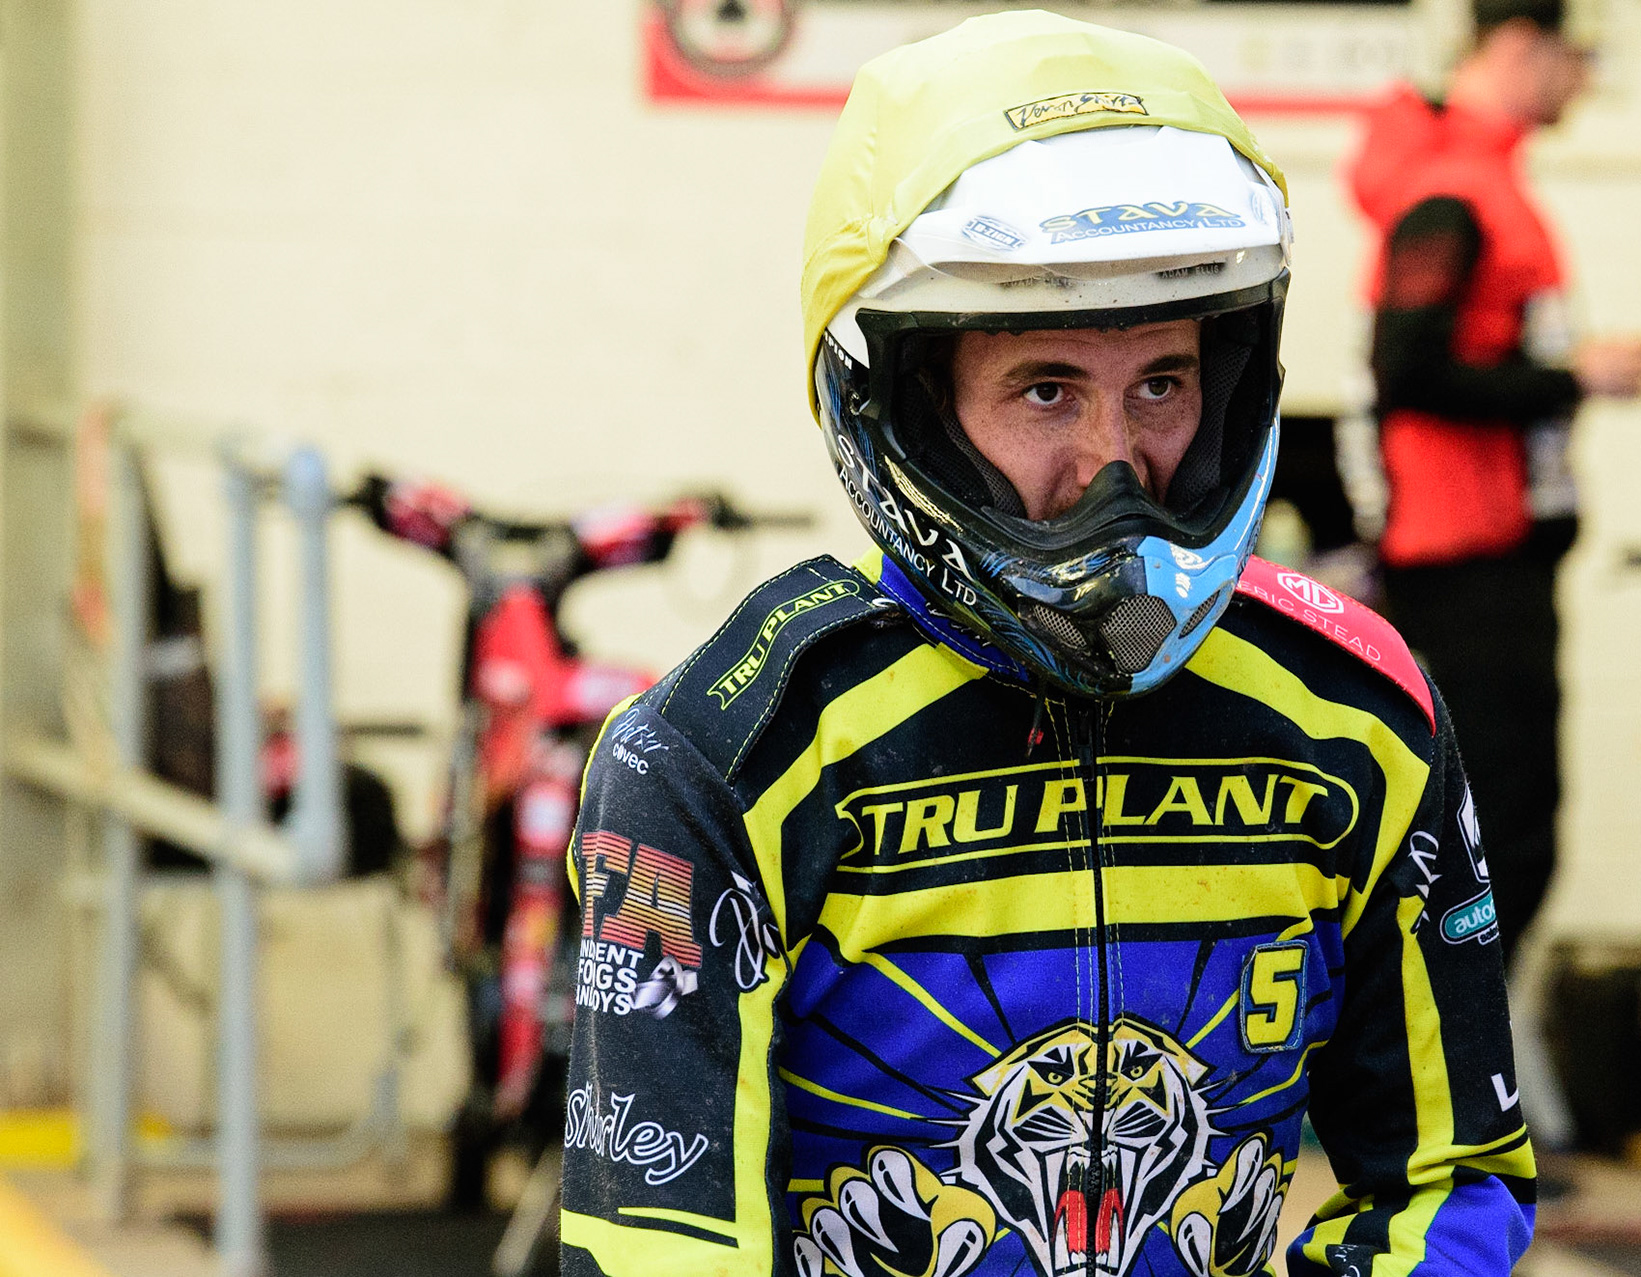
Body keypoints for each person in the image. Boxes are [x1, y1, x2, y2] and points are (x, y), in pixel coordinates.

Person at [560, 12, 1534, 1276]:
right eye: (1046, 387)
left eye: (1164, 384)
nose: (1116, 465)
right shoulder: (728, 749)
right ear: (899, 400)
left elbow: (1451, 1180)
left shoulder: (1353, 710)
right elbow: (657, 1246)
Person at [1344, 0, 1641, 962]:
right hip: (1463, 567)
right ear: (1522, 47)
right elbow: (1408, 367)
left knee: (1512, 830)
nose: (1585, 79)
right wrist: (1575, 378)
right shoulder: (1454, 191)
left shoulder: (1480, 178)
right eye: (1577, 57)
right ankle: (1434, 1073)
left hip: (1496, 557)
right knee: (1497, 838)